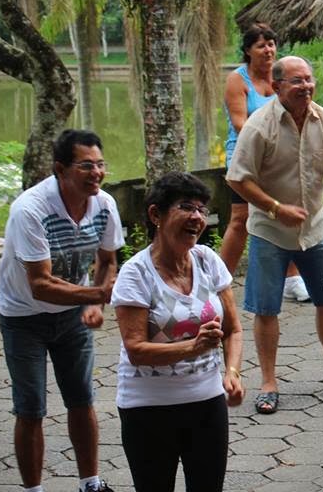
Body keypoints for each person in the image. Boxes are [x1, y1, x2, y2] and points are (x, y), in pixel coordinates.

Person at [227, 55, 323, 413]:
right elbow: (237, 178)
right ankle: (268, 382)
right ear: (277, 86)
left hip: (315, 229)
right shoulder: (260, 125)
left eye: (309, 79)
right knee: (266, 309)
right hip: (270, 231)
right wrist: (274, 208)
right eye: (297, 81)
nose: (306, 86)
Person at [0, 129, 122, 492]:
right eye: (86, 166)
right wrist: (94, 294)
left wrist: (95, 301)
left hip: (72, 315)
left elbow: (108, 258)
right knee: (31, 407)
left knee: (82, 398)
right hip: (23, 317)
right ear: (60, 169)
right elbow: (41, 283)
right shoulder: (30, 209)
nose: (96, 172)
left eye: (100, 165)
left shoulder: (105, 205)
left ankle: (91, 484)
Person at [112, 172, 244, 492]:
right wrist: (193, 348)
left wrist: (232, 372)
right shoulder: (136, 274)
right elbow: (137, 350)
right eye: (186, 207)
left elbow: (233, 330)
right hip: (148, 409)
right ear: (156, 214)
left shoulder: (207, 260)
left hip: (207, 402)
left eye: (201, 209)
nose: (197, 217)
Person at [220, 24, 309, 303]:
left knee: (289, 214)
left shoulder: (282, 76)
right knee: (240, 219)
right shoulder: (238, 79)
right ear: (248, 50)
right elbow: (239, 123)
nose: (268, 50)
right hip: (245, 157)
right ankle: (218, 281)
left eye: (271, 43)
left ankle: (292, 279)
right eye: (261, 45)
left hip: (281, 156)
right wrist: (268, 144)